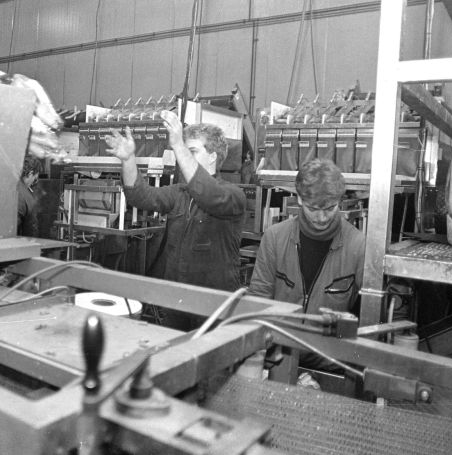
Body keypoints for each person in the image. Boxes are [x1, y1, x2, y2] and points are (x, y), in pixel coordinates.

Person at [105, 110, 246, 297]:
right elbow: (139, 195)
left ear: (212, 156)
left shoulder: (233, 195)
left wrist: (179, 145)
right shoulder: (180, 192)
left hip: (213, 299)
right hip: (176, 293)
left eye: (192, 151)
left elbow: (208, 195)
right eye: (185, 151)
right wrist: (128, 160)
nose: (183, 157)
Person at [248, 158, 365, 377]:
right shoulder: (275, 238)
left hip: (331, 364)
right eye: (313, 209)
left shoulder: (358, 246)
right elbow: (258, 299)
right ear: (300, 199)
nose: (322, 217)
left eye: (330, 208)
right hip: (279, 358)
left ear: (340, 201)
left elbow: (368, 314)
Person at [17, 156, 42, 237]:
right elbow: (30, 234)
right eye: (35, 179)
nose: (33, 183)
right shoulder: (27, 199)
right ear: (30, 174)